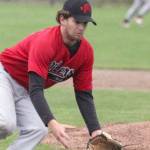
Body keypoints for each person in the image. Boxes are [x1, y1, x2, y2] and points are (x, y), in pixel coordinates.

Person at [0, 0, 103, 149]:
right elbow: (36, 88)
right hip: (5, 75)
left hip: (25, 89)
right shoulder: (46, 42)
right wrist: (52, 122)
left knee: (37, 130)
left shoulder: (86, 52)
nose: (81, 27)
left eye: (85, 23)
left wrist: (95, 131)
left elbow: (83, 94)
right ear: (62, 19)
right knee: (5, 123)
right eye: (77, 21)